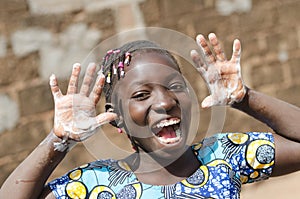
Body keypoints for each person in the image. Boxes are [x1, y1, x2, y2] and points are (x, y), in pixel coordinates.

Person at [0, 32, 299, 199]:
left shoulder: (223, 156)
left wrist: (245, 98)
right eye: (142, 95)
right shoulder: (99, 184)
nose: (166, 102)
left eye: (175, 87)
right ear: (116, 118)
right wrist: (59, 139)